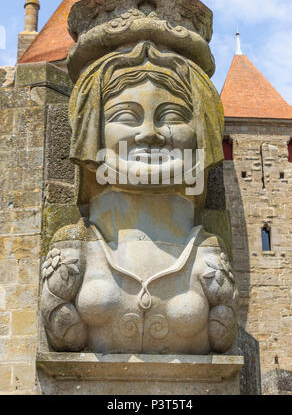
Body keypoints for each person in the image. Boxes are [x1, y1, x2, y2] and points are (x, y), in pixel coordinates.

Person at [41, 42, 238, 354]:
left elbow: (224, 338)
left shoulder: (207, 250)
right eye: (126, 115)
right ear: (90, 130)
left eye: (171, 116)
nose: (150, 133)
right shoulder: (74, 244)